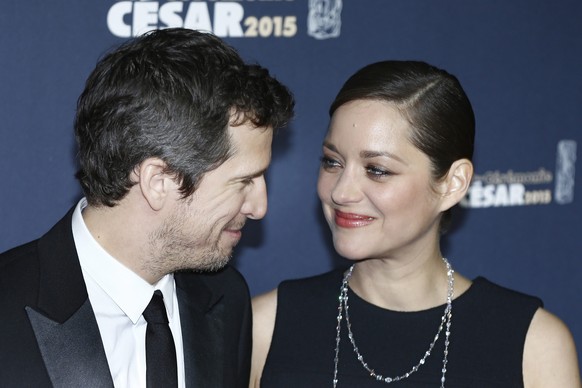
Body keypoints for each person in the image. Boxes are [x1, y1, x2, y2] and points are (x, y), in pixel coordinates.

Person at [250, 61, 580, 387]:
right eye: (332, 162)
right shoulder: (264, 327)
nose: (340, 191)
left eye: (377, 170)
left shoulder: (533, 345)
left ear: (452, 184)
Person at [0, 28, 294, 388]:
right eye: (244, 181)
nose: (259, 206)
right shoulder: (7, 311)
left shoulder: (225, 301)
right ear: (159, 181)